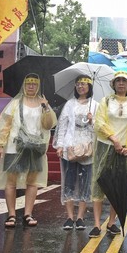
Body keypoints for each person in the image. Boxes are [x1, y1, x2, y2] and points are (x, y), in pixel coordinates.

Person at [0, 73, 57, 228]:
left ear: (38, 86)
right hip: (14, 146)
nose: (31, 86)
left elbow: (49, 125)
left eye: (34, 84)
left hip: (35, 147)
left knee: (32, 181)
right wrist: (0, 145)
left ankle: (28, 213)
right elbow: (4, 125)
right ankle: (11, 214)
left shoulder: (43, 103)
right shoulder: (15, 103)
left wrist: (46, 107)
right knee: (11, 181)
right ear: (23, 85)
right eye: (28, 83)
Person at [89, 70, 127, 238]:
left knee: (119, 186)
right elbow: (99, 122)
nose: (121, 83)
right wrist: (114, 139)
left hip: (125, 150)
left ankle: (111, 222)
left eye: (124, 81)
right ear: (113, 84)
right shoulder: (105, 101)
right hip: (106, 146)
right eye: (118, 81)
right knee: (99, 183)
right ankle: (97, 224)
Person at [52, 75, 96, 231]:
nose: (81, 87)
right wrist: (60, 145)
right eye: (78, 84)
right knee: (69, 183)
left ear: (90, 87)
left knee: (86, 184)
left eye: (84, 84)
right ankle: (70, 217)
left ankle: (81, 218)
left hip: (87, 149)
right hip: (70, 148)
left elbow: (99, 129)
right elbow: (63, 125)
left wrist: (93, 120)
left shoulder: (95, 105)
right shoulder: (70, 104)